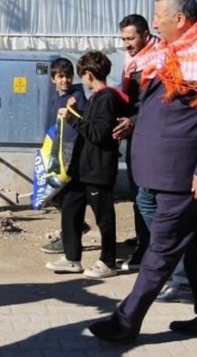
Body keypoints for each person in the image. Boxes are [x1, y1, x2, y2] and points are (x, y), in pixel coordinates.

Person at [87, 0, 197, 343]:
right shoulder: (178, 54)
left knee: (160, 251)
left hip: (185, 175)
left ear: (180, 20)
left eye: (159, 17)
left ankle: (126, 321)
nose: (154, 23)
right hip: (172, 173)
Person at [44, 51, 126, 279]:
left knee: (104, 217)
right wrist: (75, 113)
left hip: (98, 169)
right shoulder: (95, 98)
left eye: (81, 75)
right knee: (70, 207)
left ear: (89, 75)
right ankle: (72, 258)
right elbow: (90, 124)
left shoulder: (107, 98)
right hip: (82, 169)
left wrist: (72, 116)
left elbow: (98, 133)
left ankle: (108, 262)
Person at [113, 15, 155, 273]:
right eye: (123, 40)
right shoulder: (132, 59)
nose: (127, 44)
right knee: (138, 193)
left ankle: (152, 249)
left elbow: (158, 105)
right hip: (135, 134)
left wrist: (134, 120)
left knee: (147, 196)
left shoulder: (158, 60)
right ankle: (144, 242)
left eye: (131, 38)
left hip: (150, 137)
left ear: (146, 35)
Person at [40, 57, 88, 254]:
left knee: (65, 196)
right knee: (52, 194)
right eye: (60, 76)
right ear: (53, 79)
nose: (65, 80)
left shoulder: (76, 96)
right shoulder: (56, 98)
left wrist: (74, 108)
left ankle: (70, 235)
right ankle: (75, 228)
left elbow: (83, 118)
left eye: (68, 76)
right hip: (57, 152)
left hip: (71, 155)